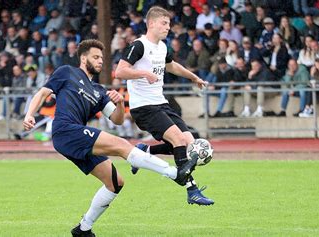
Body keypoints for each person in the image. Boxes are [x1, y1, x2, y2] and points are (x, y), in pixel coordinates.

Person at [23, 39, 197, 236]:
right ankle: (175, 174)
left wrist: (120, 103)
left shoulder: (99, 91)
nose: (100, 61)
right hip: (66, 130)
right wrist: (29, 114)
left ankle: (83, 229)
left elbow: (117, 120)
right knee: (122, 145)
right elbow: (42, 93)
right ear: (83, 58)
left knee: (115, 183)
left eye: (102, 58)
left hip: (77, 137)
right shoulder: (66, 72)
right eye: (95, 57)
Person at [115, 6, 213, 206]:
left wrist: (194, 78)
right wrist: (144, 73)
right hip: (144, 107)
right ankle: (191, 189)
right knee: (177, 139)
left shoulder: (162, 47)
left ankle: (145, 151)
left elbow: (172, 66)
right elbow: (120, 72)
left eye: (169, 23)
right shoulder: (139, 45)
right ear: (151, 24)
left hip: (161, 103)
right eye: (164, 23)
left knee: (188, 143)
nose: (168, 27)